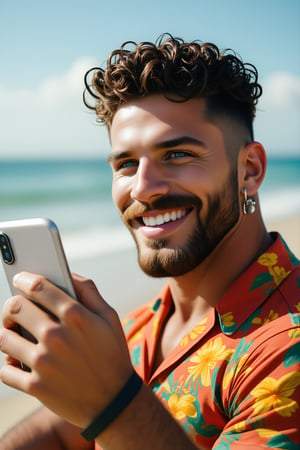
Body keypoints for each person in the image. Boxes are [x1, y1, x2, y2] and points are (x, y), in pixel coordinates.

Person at [0, 34, 299, 450]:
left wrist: (114, 404)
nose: (142, 189)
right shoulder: (139, 325)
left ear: (249, 169)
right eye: (125, 164)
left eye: (177, 155)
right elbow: (58, 434)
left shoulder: (287, 349)